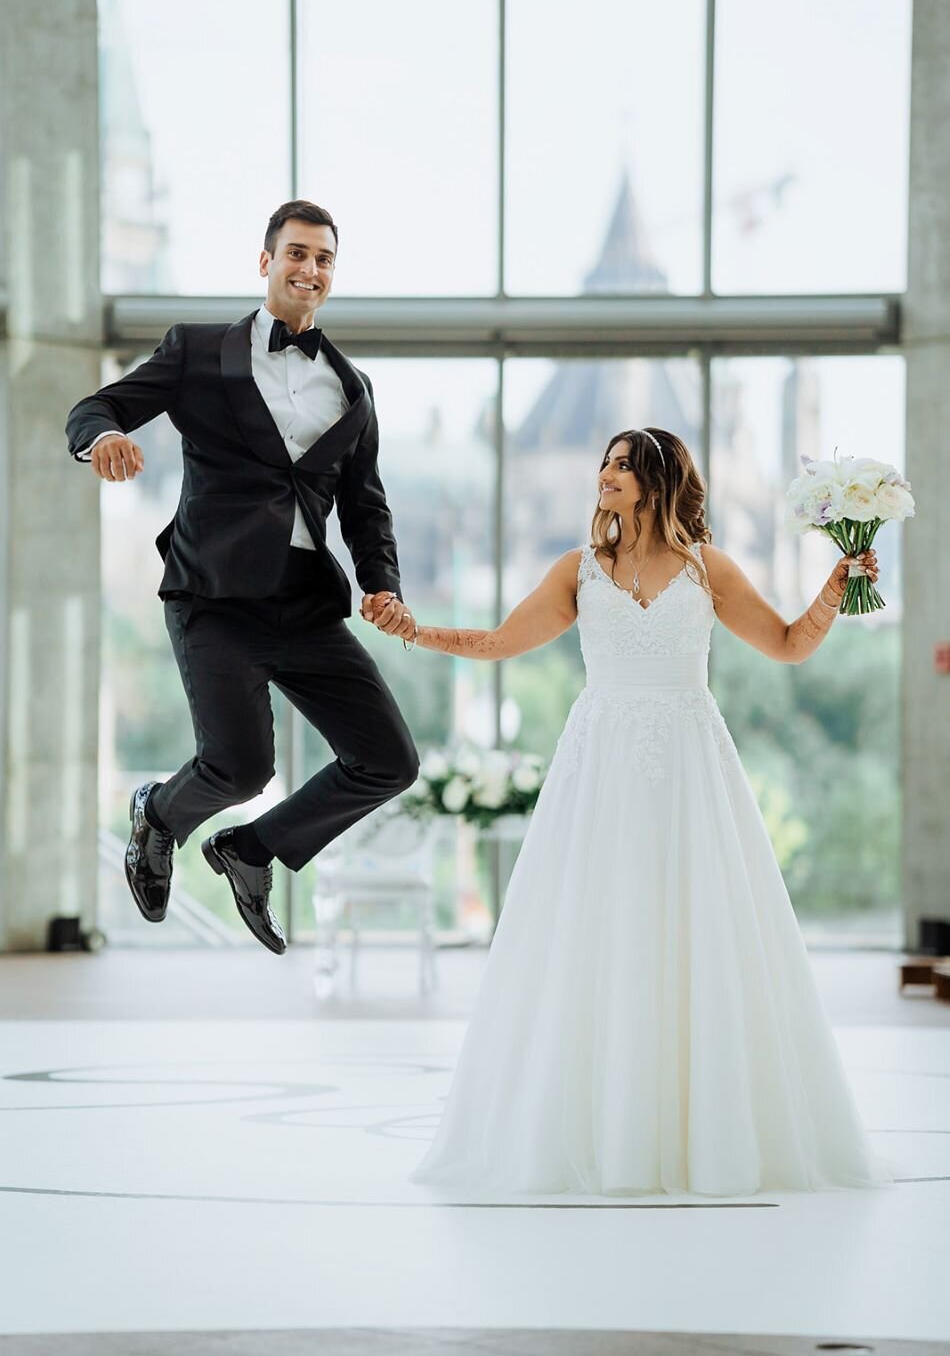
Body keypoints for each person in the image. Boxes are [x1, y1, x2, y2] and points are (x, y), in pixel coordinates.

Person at [366, 426, 893, 1196]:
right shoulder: (577, 572)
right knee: (597, 930)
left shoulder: (706, 568)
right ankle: (598, 1131)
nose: (606, 473)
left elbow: (786, 643)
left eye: (621, 464)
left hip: (690, 765)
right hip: (601, 766)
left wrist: (836, 588)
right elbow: (497, 640)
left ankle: (706, 1132)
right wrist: (416, 628)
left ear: (656, 481)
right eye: (605, 462)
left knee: (697, 930)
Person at [66, 200, 419, 955]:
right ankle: (159, 816)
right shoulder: (200, 351)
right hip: (213, 597)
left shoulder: (352, 390)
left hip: (304, 603)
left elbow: (365, 506)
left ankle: (252, 850)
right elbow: (99, 406)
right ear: (266, 262)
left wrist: (381, 581)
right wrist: (102, 438)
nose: (310, 269)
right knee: (241, 766)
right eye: (296, 253)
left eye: (324, 258)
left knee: (390, 759)